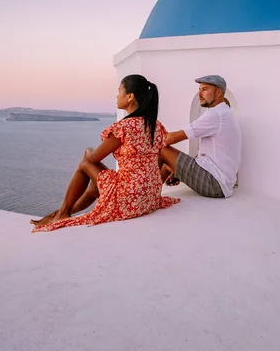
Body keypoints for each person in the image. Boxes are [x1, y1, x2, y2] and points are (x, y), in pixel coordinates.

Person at [31, 74, 180, 233]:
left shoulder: (125, 127)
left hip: (130, 198)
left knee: (85, 164)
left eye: (120, 91)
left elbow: (94, 158)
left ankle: (62, 213)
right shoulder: (156, 126)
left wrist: (88, 150)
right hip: (148, 197)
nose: (117, 96)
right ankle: (60, 213)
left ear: (130, 96)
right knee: (97, 185)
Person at [159, 75, 241, 198]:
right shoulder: (225, 113)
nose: (200, 94)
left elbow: (172, 139)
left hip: (215, 182)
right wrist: (177, 170)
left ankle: (147, 198)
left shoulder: (216, 114)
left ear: (218, 92)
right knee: (168, 164)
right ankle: (151, 195)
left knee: (163, 150)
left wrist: (148, 138)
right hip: (219, 180)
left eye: (205, 89)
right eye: (199, 90)